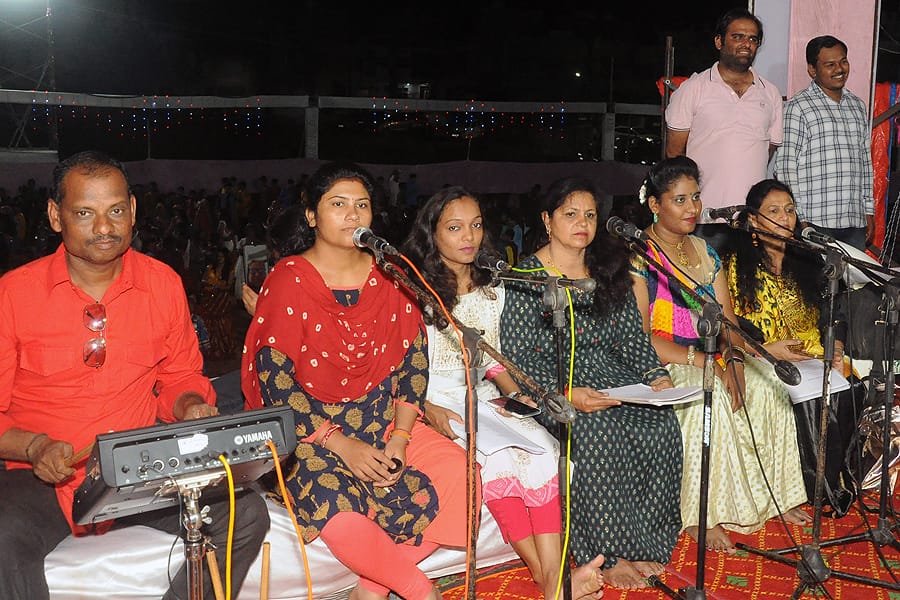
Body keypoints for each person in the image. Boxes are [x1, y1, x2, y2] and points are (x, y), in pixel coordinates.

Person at [0, 151, 269, 600]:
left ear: (133, 210)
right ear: (55, 215)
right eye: (85, 213)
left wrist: (189, 405)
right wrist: (33, 447)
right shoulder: (12, 294)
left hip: (137, 467)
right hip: (40, 478)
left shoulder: (162, 283)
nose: (104, 228)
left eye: (116, 211)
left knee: (245, 514)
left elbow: (180, 376)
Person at [241, 162, 471, 600]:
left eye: (361, 205)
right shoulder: (288, 279)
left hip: (382, 419)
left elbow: (413, 366)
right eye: (338, 204)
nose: (353, 215)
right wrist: (341, 445)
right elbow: (276, 384)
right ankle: (419, 590)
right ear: (312, 216)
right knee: (334, 502)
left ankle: (371, 587)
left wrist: (400, 437)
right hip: (310, 431)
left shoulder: (390, 274)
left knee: (461, 476)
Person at [401, 186, 604, 600]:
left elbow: (493, 361)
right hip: (433, 399)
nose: (469, 237)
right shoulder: (413, 291)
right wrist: (427, 408)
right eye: (455, 228)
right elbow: (399, 369)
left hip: (481, 395)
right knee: (498, 461)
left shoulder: (492, 289)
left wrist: (517, 397)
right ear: (431, 233)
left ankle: (552, 576)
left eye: (476, 225)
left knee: (543, 450)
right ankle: (551, 578)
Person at [500, 176, 682, 591]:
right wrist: (564, 394)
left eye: (589, 215)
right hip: (551, 383)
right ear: (547, 220)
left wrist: (656, 376)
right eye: (570, 214)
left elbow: (629, 337)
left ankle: (643, 542)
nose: (582, 223)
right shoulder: (525, 278)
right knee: (597, 431)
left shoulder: (606, 270)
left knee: (661, 425)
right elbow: (518, 357)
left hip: (610, 376)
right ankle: (604, 553)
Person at [629, 156, 809, 555]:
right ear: (655, 205)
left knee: (769, 386)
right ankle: (700, 515)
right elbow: (641, 338)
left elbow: (728, 323)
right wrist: (709, 364)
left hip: (714, 353)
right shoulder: (639, 256)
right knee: (709, 399)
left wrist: (737, 362)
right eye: (680, 200)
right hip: (664, 360)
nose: (692, 208)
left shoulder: (706, 252)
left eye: (695, 197)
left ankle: (778, 495)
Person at [722, 178, 862, 516]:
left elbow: (834, 311)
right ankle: (808, 489)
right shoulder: (734, 263)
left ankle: (838, 483)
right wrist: (767, 351)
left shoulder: (809, 259)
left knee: (849, 382)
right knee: (796, 392)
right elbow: (731, 324)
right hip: (763, 355)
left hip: (814, 354)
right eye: (773, 211)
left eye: (789, 210)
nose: (784, 218)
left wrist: (835, 344)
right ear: (753, 219)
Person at [665, 8, 782, 252]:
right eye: (737, 37)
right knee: (704, 277)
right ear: (719, 41)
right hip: (704, 217)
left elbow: (767, 149)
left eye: (752, 39)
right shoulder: (693, 89)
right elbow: (675, 153)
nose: (746, 44)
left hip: (753, 219)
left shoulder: (770, 93)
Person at [774, 35, 874, 251]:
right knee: (816, 274)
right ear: (812, 70)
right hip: (815, 220)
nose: (839, 69)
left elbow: (865, 162)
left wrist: (868, 210)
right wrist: (799, 217)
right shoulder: (798, 107)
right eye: (830, 65)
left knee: (853, 274)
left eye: (843, 61)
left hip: (854, 221)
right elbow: (785, 167)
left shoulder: (857, 105)